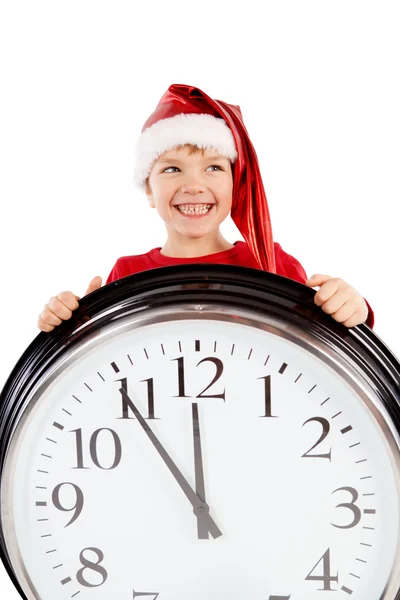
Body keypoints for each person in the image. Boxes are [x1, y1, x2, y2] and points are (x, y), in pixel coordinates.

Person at [37, 84, 373, 333]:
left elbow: (325, 346)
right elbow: (96, 362)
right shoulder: (128, 273)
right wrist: (68, 323)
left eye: (213, 167)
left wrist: (352, 309)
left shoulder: (271, 263)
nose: (194, 185)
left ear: (235, 186)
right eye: (172, 169)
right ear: (149, 191)